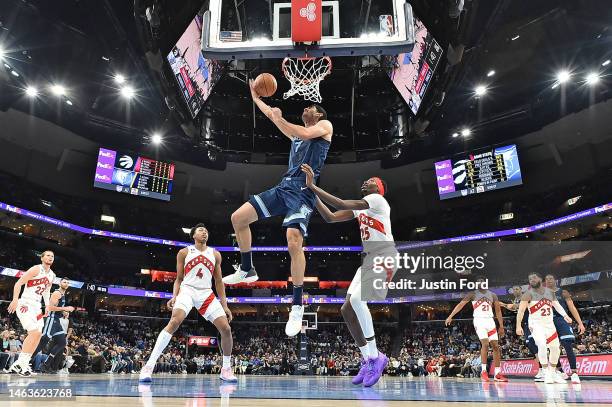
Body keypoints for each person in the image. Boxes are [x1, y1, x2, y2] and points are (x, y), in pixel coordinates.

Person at [224, 79, 333, 337]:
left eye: (309, 107)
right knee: (238, 218)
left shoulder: (324, 126)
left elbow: (302, 132)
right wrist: (257, 99)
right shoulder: (295, 133)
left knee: (293, 241)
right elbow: (275, 119)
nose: (305, 108)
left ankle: (297, 305)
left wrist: (278, 117)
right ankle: (247, 268)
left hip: (303, 191)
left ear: (317, 114)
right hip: (284, 188)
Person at [301, 163, 391, 387]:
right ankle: (368, 359)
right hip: (368, 261)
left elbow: (340, 202)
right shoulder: (363, 208)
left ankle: (375, 356)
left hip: (384, 256)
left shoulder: (378, 201)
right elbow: (331, 217)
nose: (365, 182)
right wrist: (313, 198)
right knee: (346, 309)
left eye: (371, 180)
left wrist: (312, 186)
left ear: (378, 188)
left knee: (359, 301)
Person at [139, 224, 236, 383]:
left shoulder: (215, 254)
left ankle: (226, 369)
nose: (204, 232)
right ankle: (149, 366)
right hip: (188, 290)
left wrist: (225, 305)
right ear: (193, 236)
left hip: (206, 293)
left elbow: (218, 281)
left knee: (226, 328)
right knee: (175, 321)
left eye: (206, 230)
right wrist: (174, 296)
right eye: (200, 230)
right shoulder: (184, 252)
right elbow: (179, 279)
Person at [7, 250, 59, 376]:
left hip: (36, 306)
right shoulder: (36, 269)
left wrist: (47, 306)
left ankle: (21, 364)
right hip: (25, 302)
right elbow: (19, 283)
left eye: (52, 256)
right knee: (33, 332)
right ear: (42, 258)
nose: (50, 257)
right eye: (48, 255)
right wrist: (15, 299)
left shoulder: (52, 275)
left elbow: (46, 292)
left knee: (38, 335)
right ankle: (21, 364)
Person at [445, 278, 508, 382]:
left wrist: (501, 326)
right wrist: (450, 316)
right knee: (486, 344)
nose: (480, 284)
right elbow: (461, 304)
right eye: (478, 282)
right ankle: (483, 372)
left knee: (496, 346)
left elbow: (498, 311)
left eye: (482, 282)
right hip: (479, 321)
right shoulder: (472, 294)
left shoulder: (493, 295)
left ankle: (497, 374)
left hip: (490, 321)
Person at [516, 272, 573, 384]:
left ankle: (552, 373)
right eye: (530, 279)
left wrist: (565, 316)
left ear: (540, 279)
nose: (532, 280)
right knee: (541, 345)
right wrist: (518, 325)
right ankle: (546, 372)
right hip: (536, 324)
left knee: (555, 348)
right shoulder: (527, 294)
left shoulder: (550, 293)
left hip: (549, 324)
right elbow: (521, 311)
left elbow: (557, 306)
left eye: (534, 277)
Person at [545, 274, 585, 384]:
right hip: (548, 321)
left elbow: (572, 307)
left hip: (562, 319)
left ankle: (574, 373)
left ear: (555, 280)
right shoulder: (542, 294)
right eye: (547, 279)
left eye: (551, 278)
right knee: (552, 347)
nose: (549, 281)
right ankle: (559, 371)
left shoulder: (563, 292)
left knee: (567, 344)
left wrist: (580, 323)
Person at [501, 285, 544, 381]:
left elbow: (517, 307)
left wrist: (504, 305)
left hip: (531, 321)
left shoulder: (525, 297)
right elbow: (514, 308)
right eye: (514, 289)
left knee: (534, 343)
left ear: (521, 290)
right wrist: (504, 305)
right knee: (531, 345)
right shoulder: (516, 299)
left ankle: (546, 369)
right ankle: (542, 368)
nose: (515, 291)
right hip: (525, 323)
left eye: (517, 289)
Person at [32, 278, 74, 373]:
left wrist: (63, 311)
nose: (66, 283)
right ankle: (27, 361)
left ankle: (46, 364)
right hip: (51, 319)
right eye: (64, 282)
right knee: (43, 341)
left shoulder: (63, 294)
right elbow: (50, 307)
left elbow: (57, 308)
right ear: (60, 283)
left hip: (57, 321)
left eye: (68, 282)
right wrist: (65, 308)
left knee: (62, 343)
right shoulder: (57, 293)